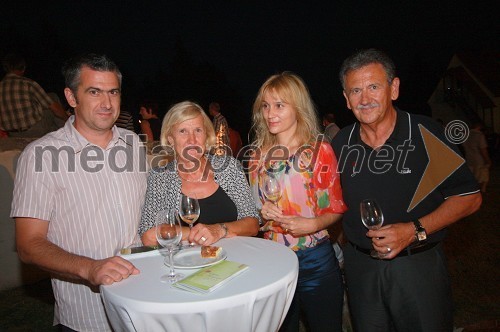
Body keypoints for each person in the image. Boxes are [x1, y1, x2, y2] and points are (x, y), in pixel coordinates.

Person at [332, 48, 482, 331]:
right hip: (361, 268)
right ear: (346, 99)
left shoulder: (425, 133)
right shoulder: (340, 144)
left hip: (418, 266)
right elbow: (328, 202)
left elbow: (469, 198)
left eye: (374, 87)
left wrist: (414, 230)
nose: (365, 99)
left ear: (394, 88)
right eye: (355, 91)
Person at [11, 53, 148, 331]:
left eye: (113, 92)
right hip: (87, 316)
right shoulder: (40, 155)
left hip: (143, 305)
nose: (107, 103)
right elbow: (28, 245)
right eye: (94, 92)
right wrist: (90, 268)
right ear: (71, 98)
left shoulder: (133, 144)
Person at [248, 72, 347, 332]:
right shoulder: (257, 157)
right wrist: (262, 214)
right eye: (266, 106)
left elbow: (335, 208)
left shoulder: (319, 151)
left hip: (315, 260)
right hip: (273, 261)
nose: (270, 113)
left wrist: (312, 223)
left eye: (279, 105)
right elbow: (252, 213)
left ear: (298, 108)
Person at [139, 101, 259, 246]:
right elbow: (148, 235)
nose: (192, 140)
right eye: (183, 131)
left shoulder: (229, 167)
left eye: (198, 130)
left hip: (234, 261)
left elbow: (253, 223)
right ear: (171, 138)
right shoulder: (160, 177)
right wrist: (199, 233)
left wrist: (219, 230)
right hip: (185, 264)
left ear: (206, 135)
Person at [0, 53, 68, 137]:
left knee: (47, 106)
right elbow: (54, 108)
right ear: (23, 68)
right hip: (34, 130)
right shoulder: (28, 84)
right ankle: (69, 129)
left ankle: (60, 132)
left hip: (12, 133)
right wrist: (67, 118)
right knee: (52, 97)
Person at [462, 121, 491, 193]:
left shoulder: (466, 135)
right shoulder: (480, 135)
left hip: (469, 159)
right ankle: (482, 190)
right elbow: (483, 150)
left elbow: (463, 146)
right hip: (479, 160)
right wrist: (488, 160)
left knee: (472, 176)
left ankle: (473, 190)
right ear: (480, 127)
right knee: (483, 175)